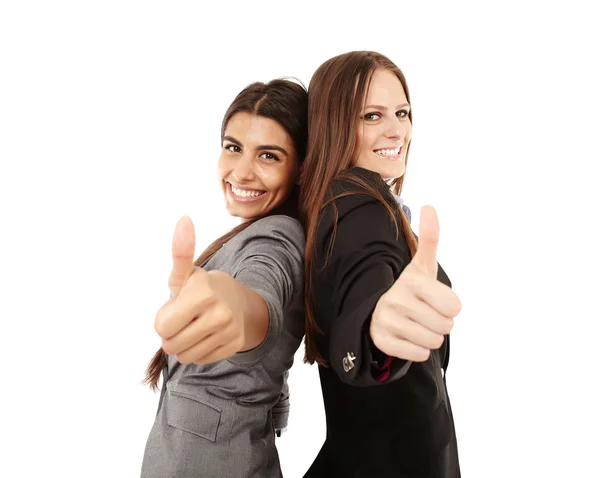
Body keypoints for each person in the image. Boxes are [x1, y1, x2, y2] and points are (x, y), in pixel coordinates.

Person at [299, 51, 462, 477]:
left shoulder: (343, 205)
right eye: (372, 116)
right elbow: (366, 292)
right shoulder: (361, 213)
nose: (397, 130)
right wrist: (375, 336)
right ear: (334, 125)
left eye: (402, 112)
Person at [140, 79, 307, 478]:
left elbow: (257, 300)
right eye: (233, 147)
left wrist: (237, 312)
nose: (242, 171)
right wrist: (272, 408)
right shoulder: (256, 230)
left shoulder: (276, 237)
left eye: (268, 155)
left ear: (301, 167)